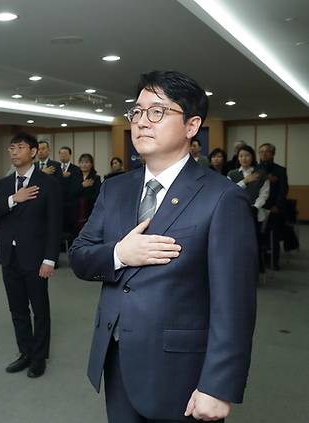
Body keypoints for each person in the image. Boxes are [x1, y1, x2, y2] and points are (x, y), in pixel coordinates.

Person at [69, 70, 257, 422]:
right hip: (118, 356)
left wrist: (219, 385)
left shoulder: (222, 198)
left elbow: (235, 303)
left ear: (191, 125)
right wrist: (119, 254)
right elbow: (80, 257)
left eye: (157, 112)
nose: (142, 122)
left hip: (181, 371)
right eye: (137, 112)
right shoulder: (115, 189)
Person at [0, 131, 62, 378]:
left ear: (32, 151)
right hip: (9, 256)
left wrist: (50, 259)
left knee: (40, 310)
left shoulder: (48, 183)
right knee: (17, 309)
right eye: (11, 148)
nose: (13, 152)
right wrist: (13, 200)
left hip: (37, 258)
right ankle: (25, 352)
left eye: (19, 148)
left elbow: (54, 224)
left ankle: (39, 357)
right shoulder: (5, 184)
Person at [228, 145, 270, 272]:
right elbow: (230, 193)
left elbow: (264, 194)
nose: (244, 158)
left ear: (252, 157)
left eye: (247, 155)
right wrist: (245, 181)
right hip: (235, 212)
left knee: (254, 243)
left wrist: (255, 207)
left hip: (255, 212)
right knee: (236, 243)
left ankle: (255, 269)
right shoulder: (232, 174)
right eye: (241, 156)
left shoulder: (261, 174)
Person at [258, 143, 288, 271]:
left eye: (267, 151)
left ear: (273, 153)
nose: (264, 154)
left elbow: (283, 190)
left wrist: (277, 206)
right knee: (260, 236)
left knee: (274, 236)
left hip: (274, 207)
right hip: (258, 206)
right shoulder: (256, 168)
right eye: (261, 152)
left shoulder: (280, 170)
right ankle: (261, 260)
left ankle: (274, 261)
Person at [74, 153, 102, 237]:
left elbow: (97, 195)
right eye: (82, 162)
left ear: (91, 164)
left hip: (89, 209)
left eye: (86, 162)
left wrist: (85, 198)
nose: (84, 165)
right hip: (76, 209)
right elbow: (71, 193)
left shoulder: (95, 178)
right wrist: (82, 186)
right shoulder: (75, 177)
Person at [58, 146, 82, 236]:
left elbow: (76, 185)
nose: (63, 155)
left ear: (70, 155)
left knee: (72, 227)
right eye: (61, 154)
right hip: (58, 202)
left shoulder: (75, 169)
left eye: (65, 153)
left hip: (71, 202)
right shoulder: (55, 168)